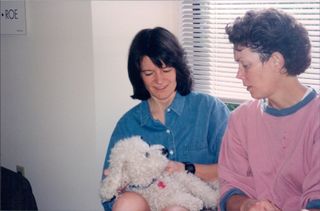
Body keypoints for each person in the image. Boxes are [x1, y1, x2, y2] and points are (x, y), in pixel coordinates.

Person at [101, 27, 230, 211]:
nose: (159, 81)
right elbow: (108, 196)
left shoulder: (209, 109)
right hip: (151, 202)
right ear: (139, 76)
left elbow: (236, 171)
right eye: (149, 73)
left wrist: (186, 168)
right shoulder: (128, 125)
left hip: (202, 203)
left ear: (178, 68)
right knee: (126, 203)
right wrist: (119, 185)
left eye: (166, 70)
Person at [218, 8, 320, 211]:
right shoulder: (241, 119)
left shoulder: (316, 118)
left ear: (276, 61)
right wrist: (246, 205)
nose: (239, 75)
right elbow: (230, 189)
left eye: (246, 65)